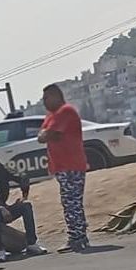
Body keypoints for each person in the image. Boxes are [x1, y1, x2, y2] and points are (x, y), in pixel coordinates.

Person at [35, 84, 92, 252]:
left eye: (46, 98)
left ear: (55, 96)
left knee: (72, 203)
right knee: (69, 203)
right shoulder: (51, 116)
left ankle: (77, 238)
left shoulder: (65, 112)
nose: (44, 102)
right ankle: (77, 236)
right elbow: (41, 136)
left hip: (71, 165)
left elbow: (49, 134)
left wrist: (46, 133)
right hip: (61, 167)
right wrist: (45, 133)